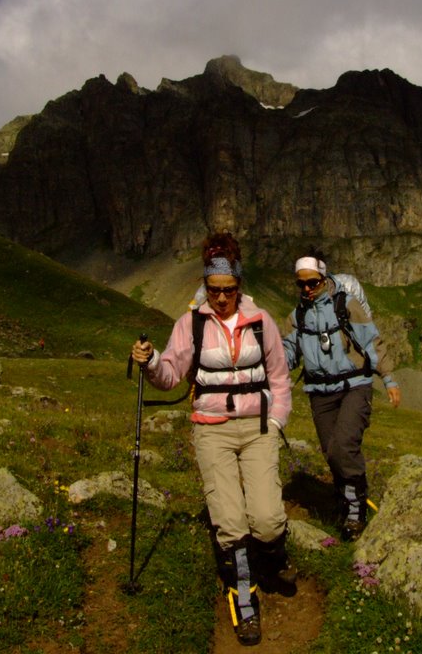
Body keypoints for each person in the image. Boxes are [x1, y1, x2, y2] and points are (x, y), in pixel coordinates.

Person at [130, 232, 294, 647]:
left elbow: (279, 376)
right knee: (232, 523)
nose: (221, 298)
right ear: (205, 285)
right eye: (214, 290)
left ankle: (272, 556)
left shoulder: (262, 321)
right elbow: (170, 374)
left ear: (239, 285)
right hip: (211, 429)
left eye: (229, 290)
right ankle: (244, 597)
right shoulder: (191, 324)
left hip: (257, 430)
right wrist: (150, 364)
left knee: (269, 520)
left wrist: (275, 424)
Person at [282, 252, 401, 541]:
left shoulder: (346, 305)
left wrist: (388, 378)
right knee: (330, 451)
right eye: (302, 284)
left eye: (313, 283)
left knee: (342, 447)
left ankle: (355, 510)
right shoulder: (297, 315)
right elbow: (287, 352)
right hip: (319, 392)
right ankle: (345, 498)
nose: (307, 289)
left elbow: (371, 341)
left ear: (324, 278)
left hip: (354, 386)